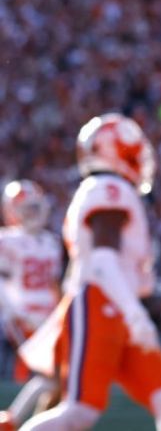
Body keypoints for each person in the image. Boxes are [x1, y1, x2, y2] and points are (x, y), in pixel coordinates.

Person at [18, 113, 161, 431]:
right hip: (100, 302)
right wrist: (135, 315)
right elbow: (102, 260)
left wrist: (132, 312)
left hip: (116, 305)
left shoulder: (104, 188)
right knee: (80, 411)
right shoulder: (110, 188)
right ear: (115, 150)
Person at [0, 181, 62, 429]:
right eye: (26, 209)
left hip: (49, 318)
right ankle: (12, 421)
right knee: (52, 374)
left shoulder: (51, 242)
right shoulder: (7, 240)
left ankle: (18, 421)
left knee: (57, 379)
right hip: (22, 314)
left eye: (35, 207)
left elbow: (54, 285)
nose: (32, 214)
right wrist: (14, 311)